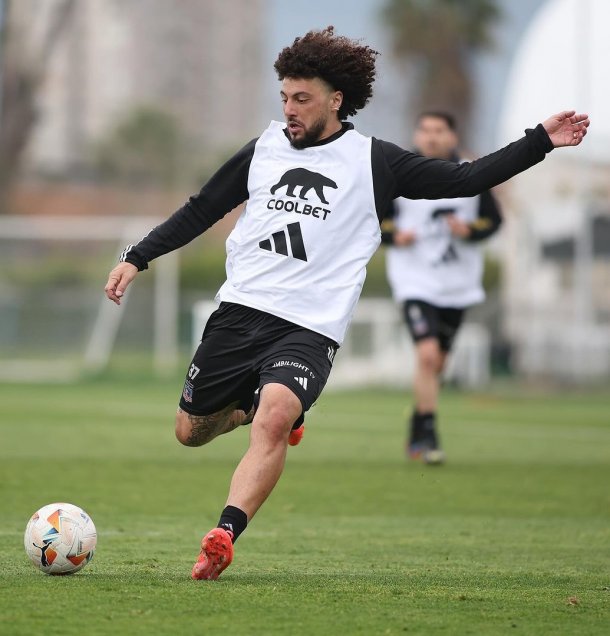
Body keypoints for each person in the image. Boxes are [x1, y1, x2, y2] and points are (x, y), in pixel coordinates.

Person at [103, 26, 589, 580]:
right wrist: (137, 256)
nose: (290, 109)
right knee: (189, 432)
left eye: (302, 98)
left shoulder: (373, 161)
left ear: (336, 99)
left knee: (277, 417)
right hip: (240, 311)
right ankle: (249, 408)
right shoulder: (262, 150)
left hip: (310, 327)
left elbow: (466, 178)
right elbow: (200, 209)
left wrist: (540, 140)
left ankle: (224, 533)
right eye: (285, 97)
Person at [382, 111, 502, 465]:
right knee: (427, 355)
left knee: (438, 365)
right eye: (425, 130)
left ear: (453, 136)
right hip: (414, 280)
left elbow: (493, 221)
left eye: (439, 130)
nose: (431, 136)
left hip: (457, 284)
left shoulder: (472, 174)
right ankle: (429, 435)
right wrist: (394, 236)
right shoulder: (398, 173)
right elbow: (375, 219)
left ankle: (418, 420)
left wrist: (470, 231)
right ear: (417, 135)